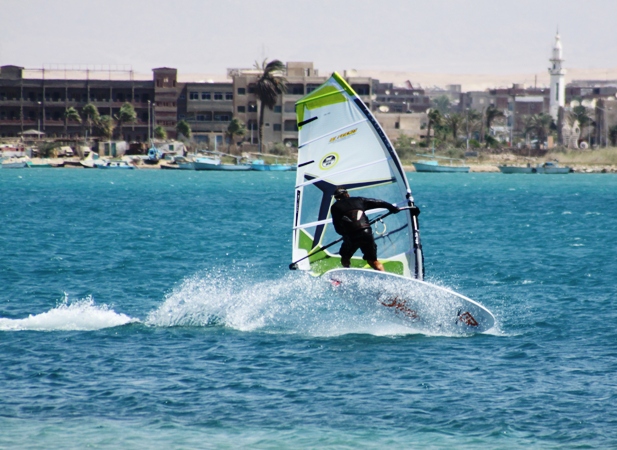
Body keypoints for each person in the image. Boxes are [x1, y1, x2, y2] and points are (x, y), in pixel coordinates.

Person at [330, 186, 420, 272]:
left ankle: (347, 271)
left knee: (345, 257)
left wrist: (345, 235)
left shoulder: (335, 207)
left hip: (351, 236)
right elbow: (379, 202)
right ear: (347, 194)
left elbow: (337, 227)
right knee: (372, 260)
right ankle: (385, 276)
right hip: (366, 233)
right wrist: (392, 208)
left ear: (336, 198)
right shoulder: (359, 200)